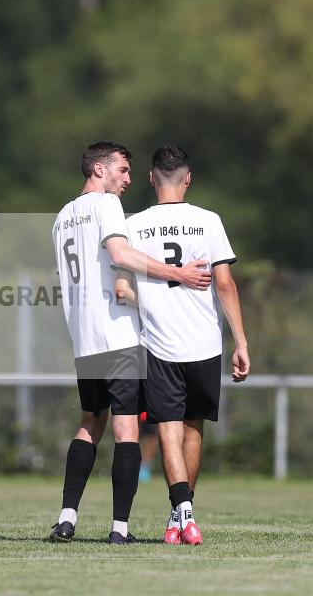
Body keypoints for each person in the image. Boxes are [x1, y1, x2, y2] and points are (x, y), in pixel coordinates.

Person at [50, 141, 212, 545]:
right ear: (99, 170)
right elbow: (120, 253)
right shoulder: (105, 206)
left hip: (83, 337)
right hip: (117, 332)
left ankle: (67, 517)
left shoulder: (62, 216)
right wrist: (177, 273)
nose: (126, 179)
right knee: (127, 431)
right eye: (121, 170)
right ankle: (119, 529)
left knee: (90, 423)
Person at [115, 145, 250, 545]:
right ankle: (183, 515)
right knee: (194, 428)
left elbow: (123, 290)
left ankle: (181, 515)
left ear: (151, 178)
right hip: (205, 343)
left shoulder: (133, 225)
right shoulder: (208, 221)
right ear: (188, 179)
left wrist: (155, 298)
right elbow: (224, 283)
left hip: (160, 343)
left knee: (168, 429)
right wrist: (241, 341)